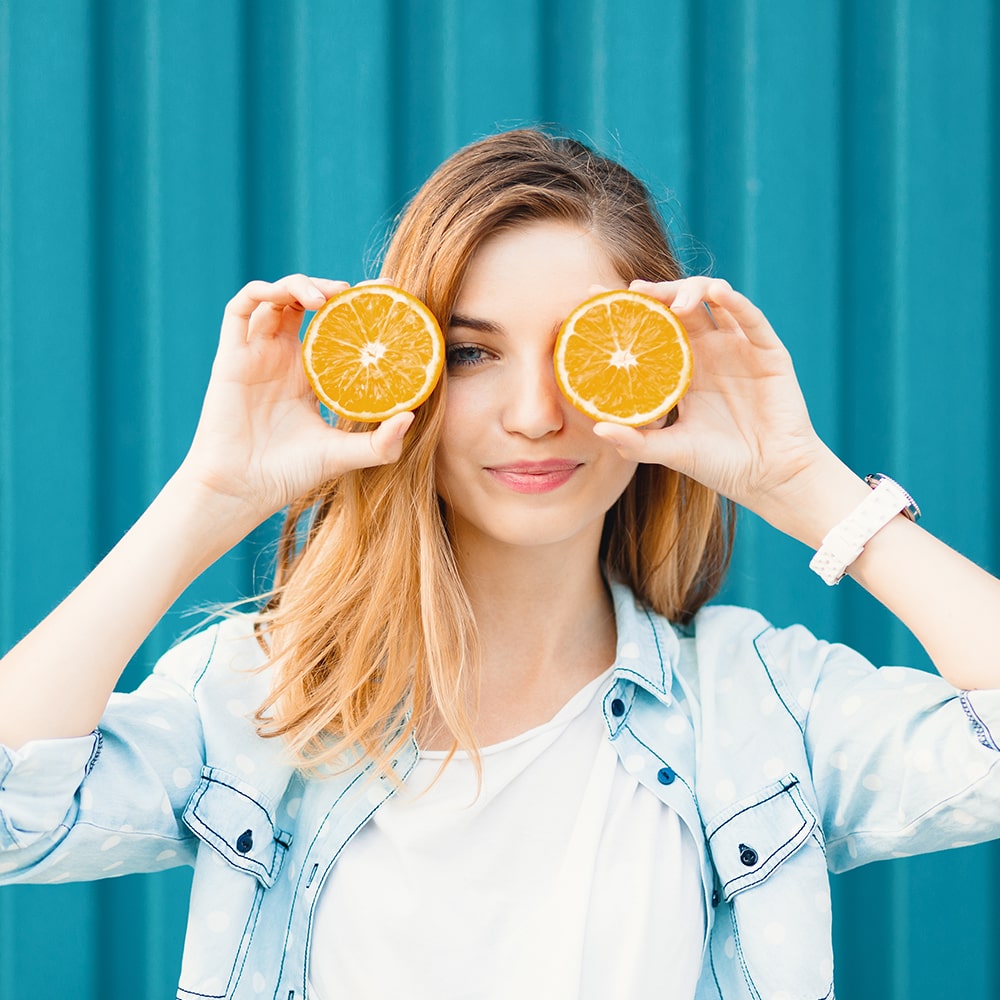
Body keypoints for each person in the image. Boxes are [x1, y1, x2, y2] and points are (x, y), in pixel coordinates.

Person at [1, 128, 999, 1000]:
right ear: (415, 372)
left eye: (586, 350)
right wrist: (208, 498)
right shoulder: (263, 700)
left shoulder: (758, 708)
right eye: (474, 353)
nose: (532, 415)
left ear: (657, 372)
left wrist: (807, 483)